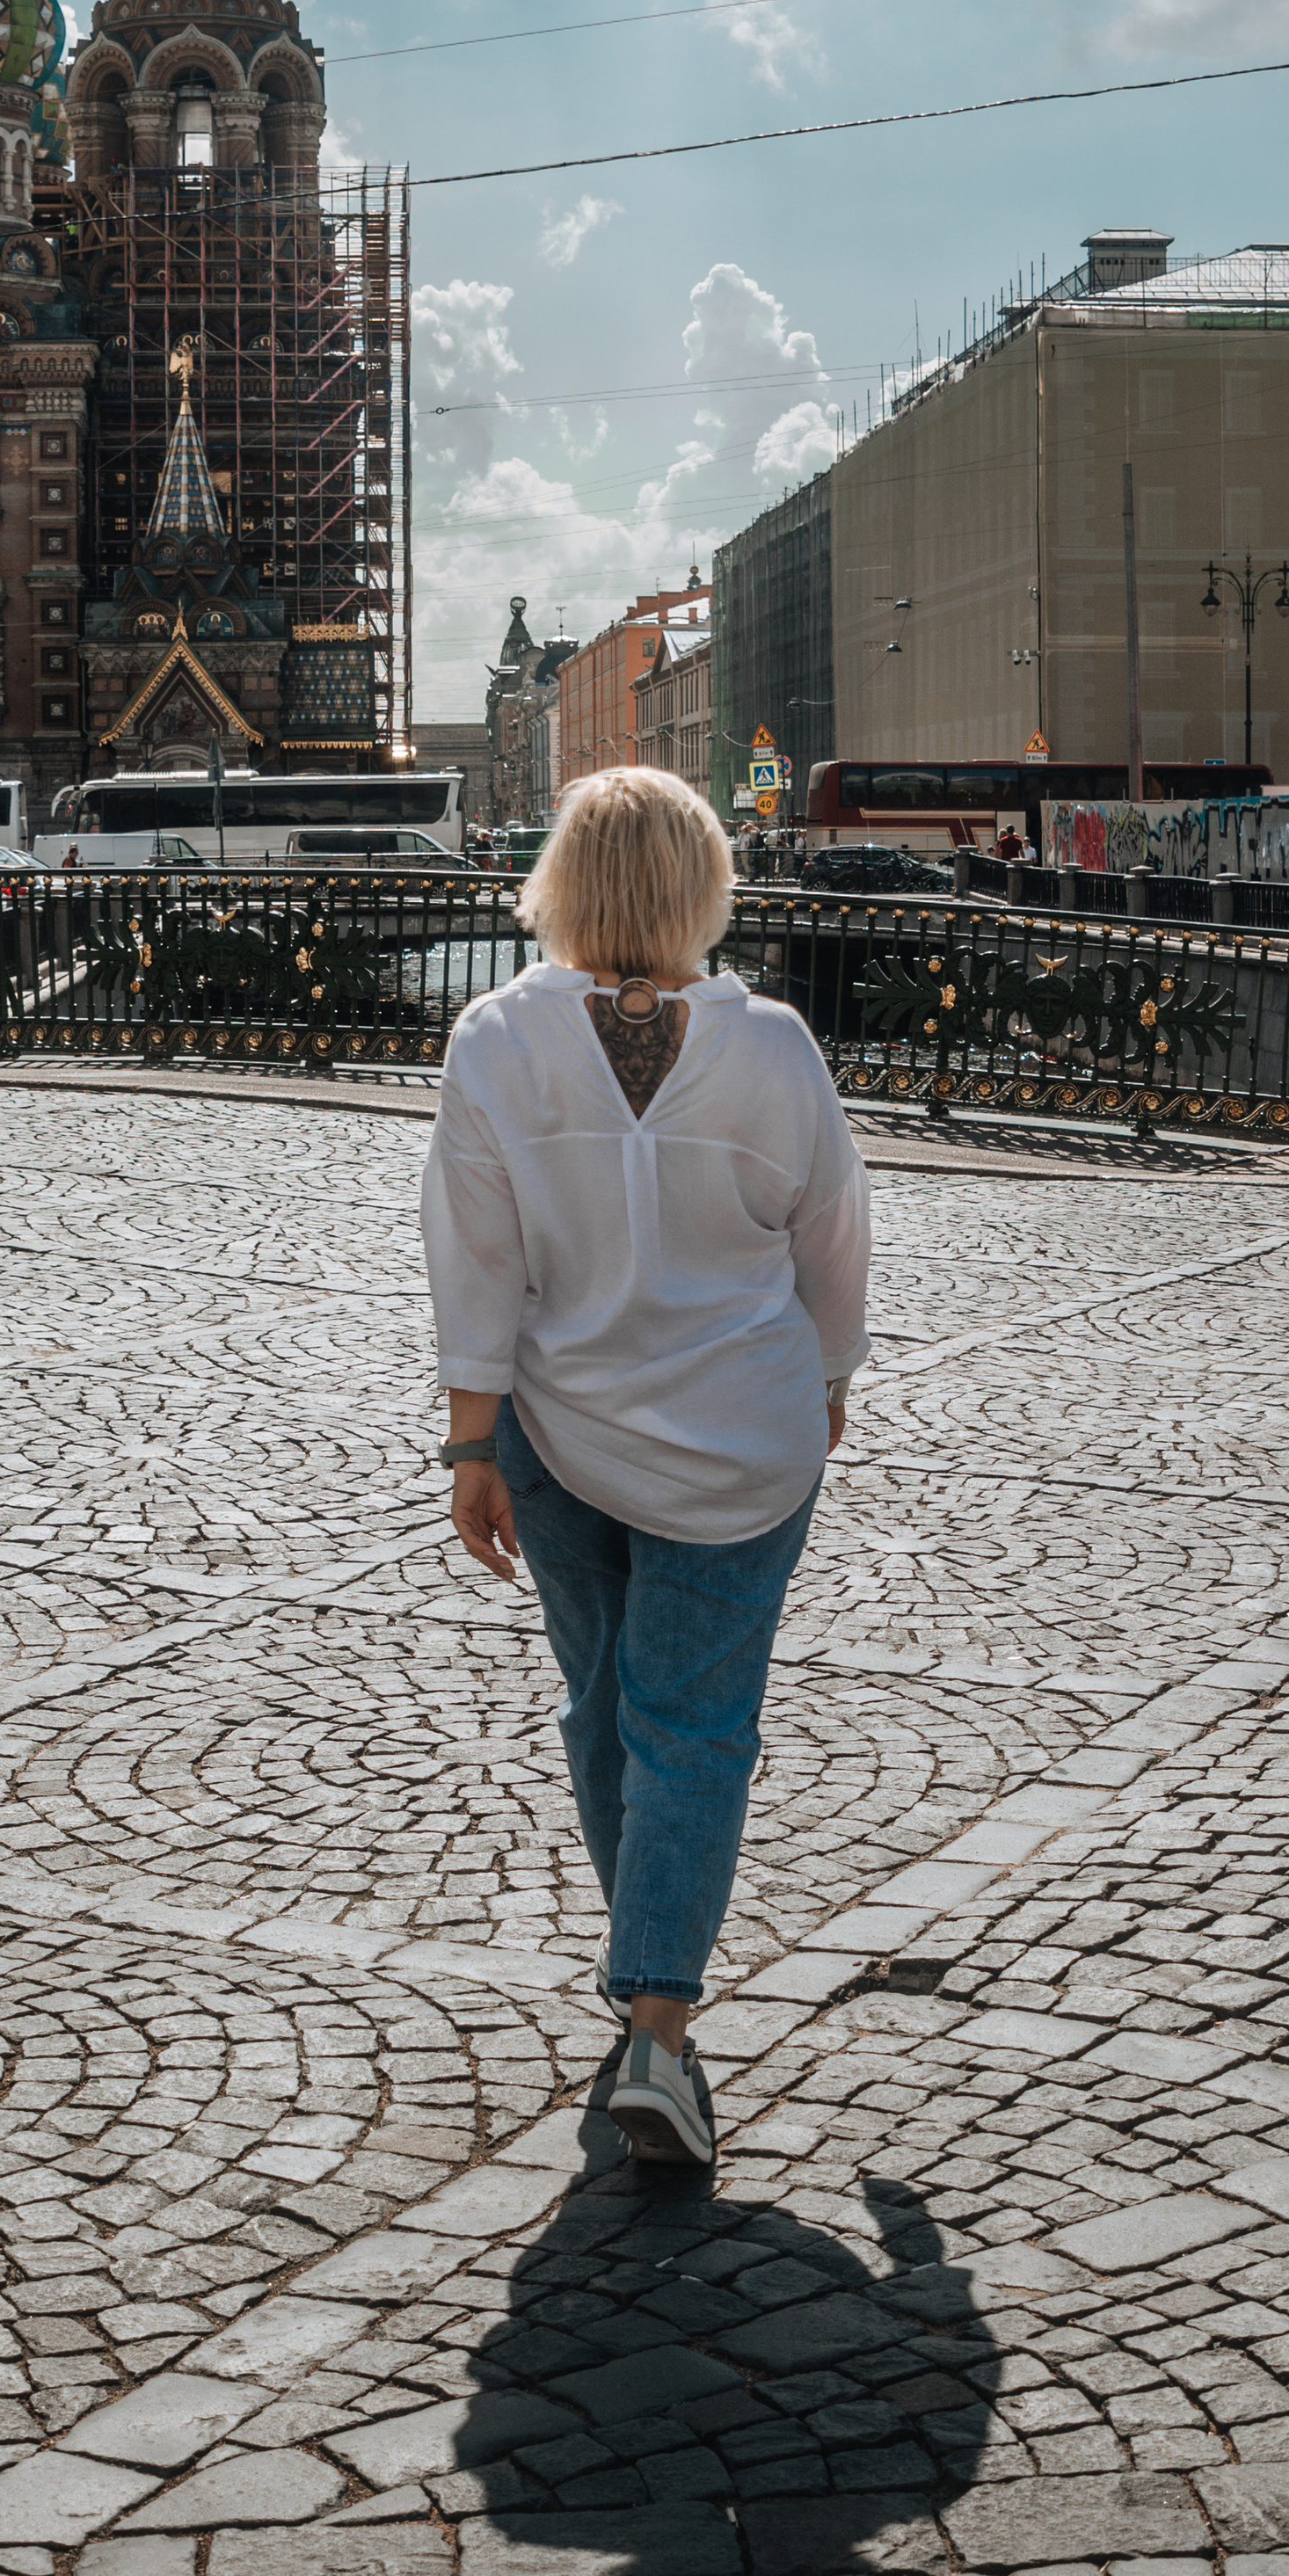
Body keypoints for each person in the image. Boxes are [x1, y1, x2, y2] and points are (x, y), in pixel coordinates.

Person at [419, 766, 871, 2165]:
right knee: (694, 1723)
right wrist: (833, 1384)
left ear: (559, 883)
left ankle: (645, 1996)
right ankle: (660, 2032)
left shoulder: (496, 1041)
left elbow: (472, 1263)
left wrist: (471, 1441)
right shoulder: (777, 1047)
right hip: (743, 1435)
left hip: (559, 1431)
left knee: (604, 1703)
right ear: (701, 886)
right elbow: (834, 1245)